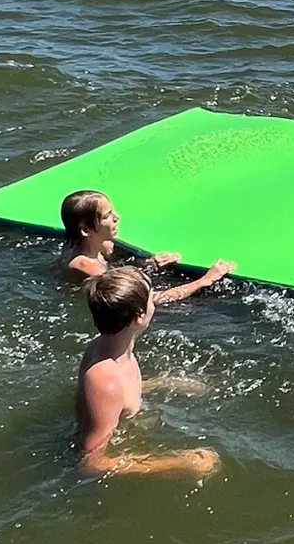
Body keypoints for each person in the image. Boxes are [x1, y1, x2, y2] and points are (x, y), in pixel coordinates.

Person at [74, 266, 222, 478]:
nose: (155, 300)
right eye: (151, 297)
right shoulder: (105, 382)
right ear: (139, 317)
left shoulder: (108, 346)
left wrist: (164, 383)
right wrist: (181, 463)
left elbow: (121, 397)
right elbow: (91, 462)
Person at [58, 189, 234, 303]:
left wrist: (149, 264)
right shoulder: (85, 267)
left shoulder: (100, 245)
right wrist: (205, 280)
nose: (117, 217)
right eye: (107, 216)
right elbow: (152, 299)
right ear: (86, 229)